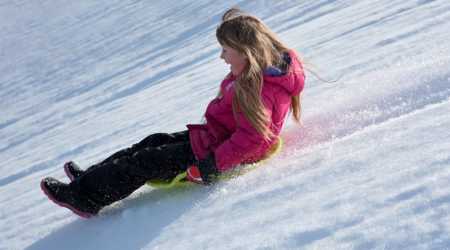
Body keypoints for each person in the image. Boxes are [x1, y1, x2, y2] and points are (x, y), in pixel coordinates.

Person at [40, 7, 306, 218]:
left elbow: (253, 139)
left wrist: (211, 166)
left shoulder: (258, 90)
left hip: (215, 153)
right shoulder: (256, 74)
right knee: (153, 141)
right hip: (214, 138)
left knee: (144, 161)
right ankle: (89, 178)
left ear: (247, 53)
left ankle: (85, 198)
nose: (222, 57)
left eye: (226, 50)